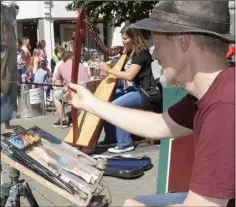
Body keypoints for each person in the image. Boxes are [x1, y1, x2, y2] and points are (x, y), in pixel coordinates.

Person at [62, 1, 234, 207]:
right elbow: (158, 125)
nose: (154, 54)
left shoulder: (225, 107)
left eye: (158, 44)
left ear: (183, 42)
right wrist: (90, 103)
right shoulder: (212, 91)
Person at [97, 25, 160, 153]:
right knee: (106, 99)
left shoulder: (140, 54)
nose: (122, 41)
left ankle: (125, 143)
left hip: (145, 92)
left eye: (125, 39)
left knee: (116, 106)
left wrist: (109, 70)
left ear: (134, 38)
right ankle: (111, 138)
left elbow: (130, 75)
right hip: (137, 90)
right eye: (122, 38)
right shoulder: (131, 53)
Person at [52, 51, 89, 128]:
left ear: (63, 59)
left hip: (72, 93)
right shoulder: (81, 65)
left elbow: (58, 85)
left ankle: (63, 120)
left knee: (55, 95)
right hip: (85, 91)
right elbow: (87, 78)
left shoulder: (61, 67)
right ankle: (73, 117)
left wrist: (61, 86)